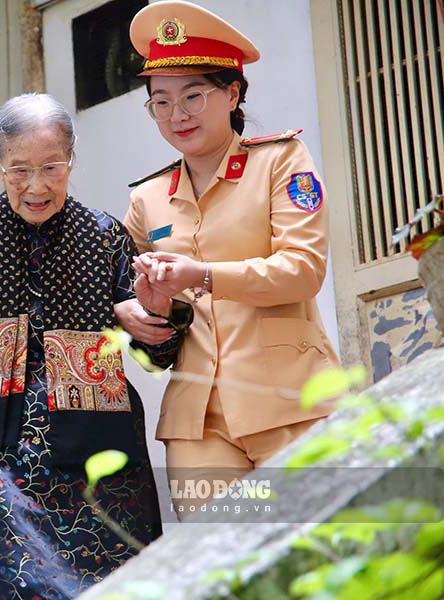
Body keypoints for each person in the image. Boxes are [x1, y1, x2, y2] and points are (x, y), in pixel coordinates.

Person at [0, 93, 193, 599]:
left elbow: (155, 356)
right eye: (19, 170)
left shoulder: (104, 237)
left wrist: (157, 316)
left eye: (52, 167)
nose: (36, 186)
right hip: (0, 463)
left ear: (72, 159)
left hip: (103, 468)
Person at [121, 1, 339, 515]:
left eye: (193, 95)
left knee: (310, 563)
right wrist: (141, 311)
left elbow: (303, 269)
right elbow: (140, 303)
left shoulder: (281, 161)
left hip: (289, 404)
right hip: (197, 424)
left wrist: (205, 276)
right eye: (162, 101)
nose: (178, 115)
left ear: (233, 92)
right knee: (219, 575)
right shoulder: (145, 199)